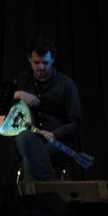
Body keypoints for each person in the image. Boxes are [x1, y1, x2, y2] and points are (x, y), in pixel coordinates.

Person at [10, 36, 83, 181]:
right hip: (28, 139)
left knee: (30, 157)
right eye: (36, 62)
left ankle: (35, 200)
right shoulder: (22, 81)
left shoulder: (66, 85)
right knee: (25, 137)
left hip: (56, 143)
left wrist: (55, 134)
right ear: (29, 59)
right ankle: (52, 192)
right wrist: (19, 94)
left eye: (45, 63)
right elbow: (2, 103)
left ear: (53, 60)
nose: (41, 67)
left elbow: (77, 122)